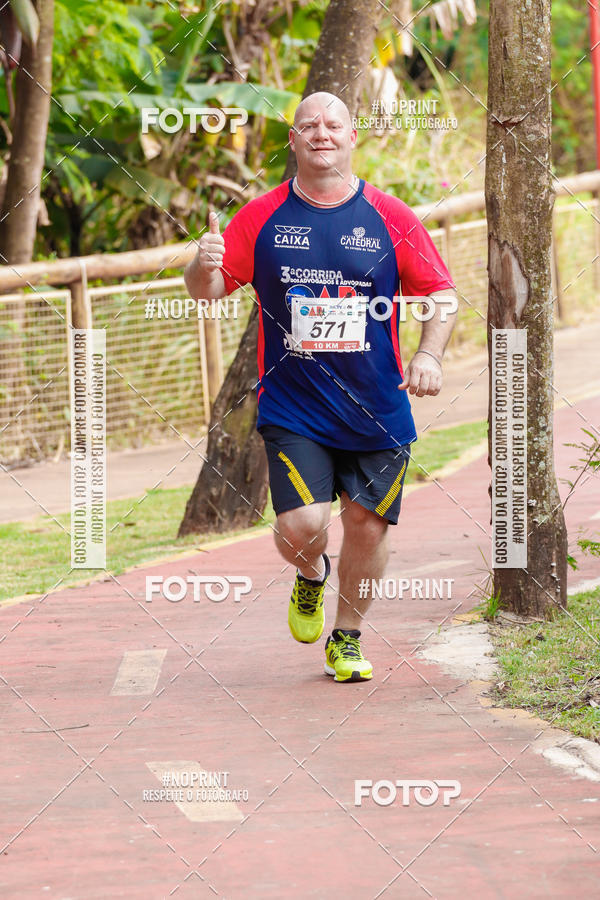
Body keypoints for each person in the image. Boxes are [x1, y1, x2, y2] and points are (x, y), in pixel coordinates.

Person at [185, 91, 457, 683]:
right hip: (294, 404)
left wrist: (429, 353)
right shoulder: (261, 217)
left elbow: (441, 294)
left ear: (353, 136)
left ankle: (347, 638)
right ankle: (311, 575)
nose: (321, 133)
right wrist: (203, 261)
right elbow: (206, 291)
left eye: (334, 124)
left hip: (377, 407)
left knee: (367, 524)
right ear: (294, 141)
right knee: (303, 526)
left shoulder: (390, 216)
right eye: (308, 125)